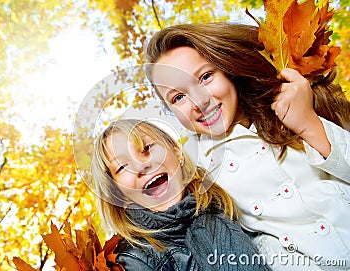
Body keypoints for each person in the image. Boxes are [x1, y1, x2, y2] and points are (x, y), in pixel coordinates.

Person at [144, 22, 350, 270]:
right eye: (178, 97)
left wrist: (309, 124)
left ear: (227, 68)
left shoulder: (294, 98)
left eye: (205, 77)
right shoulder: (195, 170)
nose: (198, 101)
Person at [91, 119, 271, 270]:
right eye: (122, 167)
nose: (140, 166)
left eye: (147, 148)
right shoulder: (134, 259)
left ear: (176, 152)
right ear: (118, 194)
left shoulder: (224, 209)